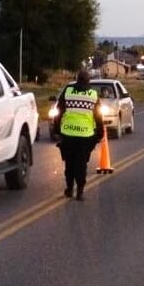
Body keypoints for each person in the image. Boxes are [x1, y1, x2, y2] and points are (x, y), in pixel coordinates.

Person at [53, 70, 104, 201]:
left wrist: (56, 129)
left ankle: (69, 189)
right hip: (85, 136)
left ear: (76, 79)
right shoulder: (93, 94)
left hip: (68, 134)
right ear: (88, 81)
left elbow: (58, 112)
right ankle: (80, 191)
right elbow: (98, 116)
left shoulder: (68, 91)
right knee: (81, 164)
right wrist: (100, 133)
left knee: (69, 164)